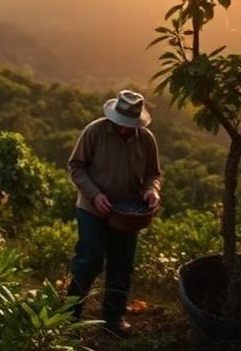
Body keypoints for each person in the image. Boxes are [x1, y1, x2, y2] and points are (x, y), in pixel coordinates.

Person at [66, 89, 161, 338]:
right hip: (92, 208)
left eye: (130, 125)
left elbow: (153, 174)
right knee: (89, 259)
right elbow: (76, 167)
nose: (125, 129)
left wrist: (152, 191)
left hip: (128, 213)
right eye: (121, 124)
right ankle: (69, 316)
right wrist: (95, 194)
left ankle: (113, 317)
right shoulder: (94, 132)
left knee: (122, 264)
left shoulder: (147, 140)